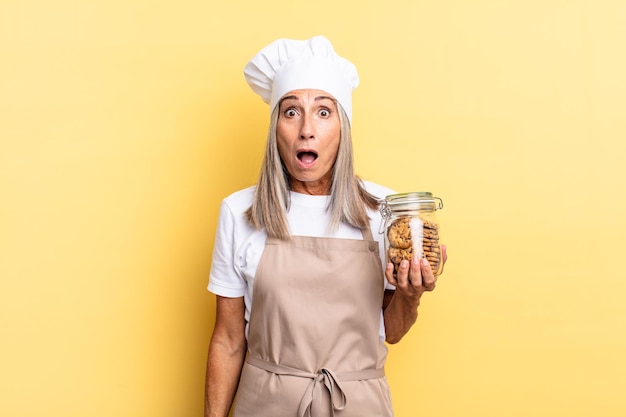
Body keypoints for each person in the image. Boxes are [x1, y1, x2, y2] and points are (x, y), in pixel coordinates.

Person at [205, 36, 447, 417]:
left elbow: (392, 331)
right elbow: (230, 340)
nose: (306, 129)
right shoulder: (239, 212)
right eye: (290, 112)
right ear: (276, 129)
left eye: (323, 111)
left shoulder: (385, 211)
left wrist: (411, 295)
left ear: (342, 127)